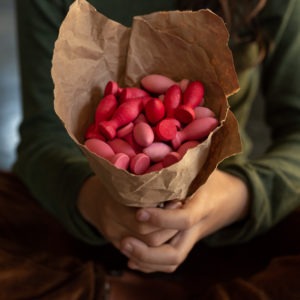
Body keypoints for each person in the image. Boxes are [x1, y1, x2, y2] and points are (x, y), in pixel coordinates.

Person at [11, 0, 300, 298]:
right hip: (82, 225)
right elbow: (41, 138)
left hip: (230, 221)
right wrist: (95, 202)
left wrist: (234, 197)